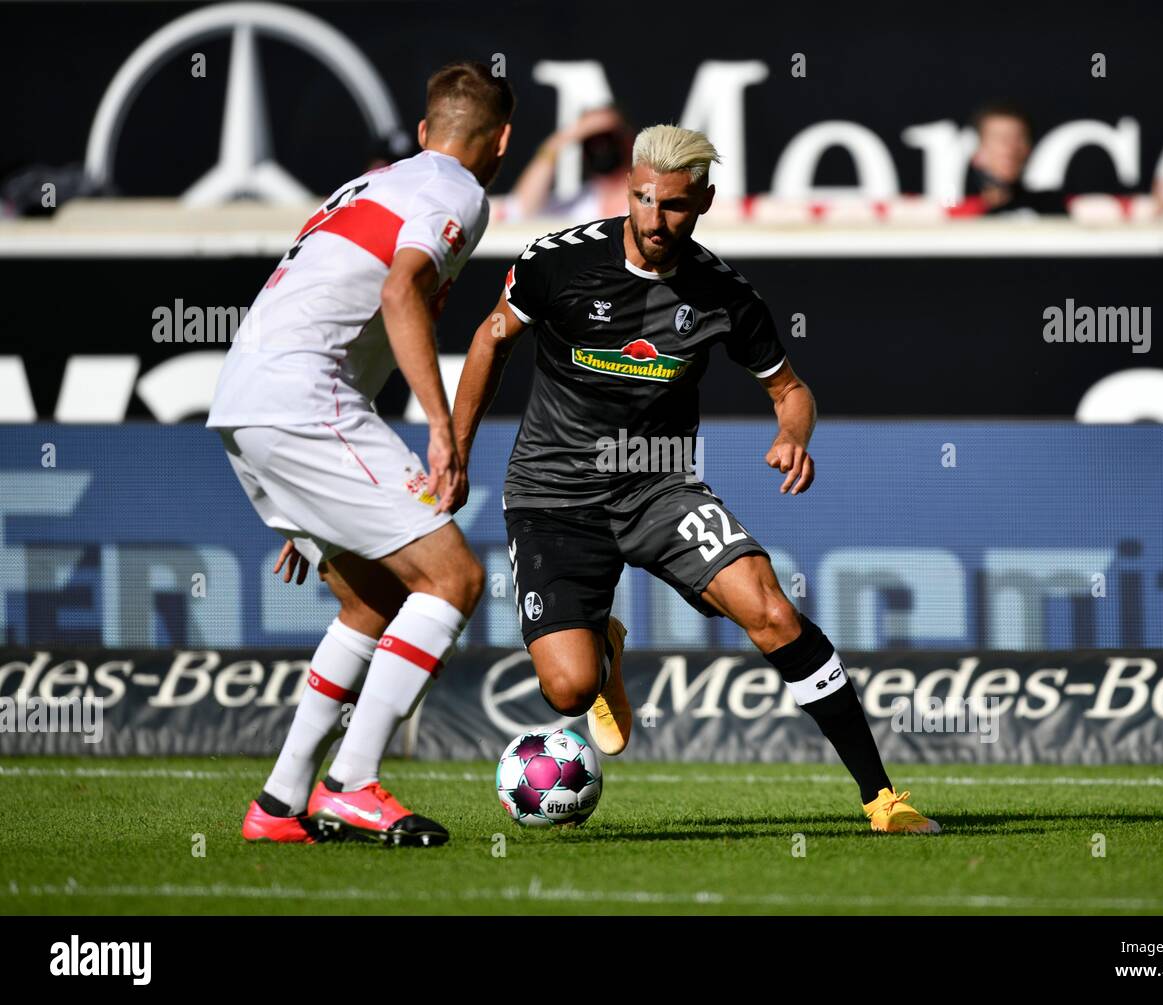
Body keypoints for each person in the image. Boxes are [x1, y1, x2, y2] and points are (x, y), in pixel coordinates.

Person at [451, 123, 940, 834]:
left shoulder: (723, 295)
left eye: (674, 205)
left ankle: (881, 798)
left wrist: (792, 435)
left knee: (772, 610)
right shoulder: (558, 263)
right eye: (643, 199)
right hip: (554, 494)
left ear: (704, 201)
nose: (654, 219)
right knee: (569, 687)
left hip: (658, 487)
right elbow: (492, 336)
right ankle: (601, 644)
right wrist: (456, 449)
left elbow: (791, 389)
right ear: (628, 190)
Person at [205, 61, 514, 847]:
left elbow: (341, 305)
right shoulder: (459, 193)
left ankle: (279, 803)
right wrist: (441, 428)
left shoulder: (374, 183)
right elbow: (398, 291)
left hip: (248, 399)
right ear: (502, 141)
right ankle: (352, 784)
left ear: (421, 130)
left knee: (372, 599)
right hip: (303, 401)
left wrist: (312, 487)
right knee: (454, 576)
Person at [498, 106, 633, 221]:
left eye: (608, 137)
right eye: (591, 140)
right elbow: (521, 210)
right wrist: (559, 141)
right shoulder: (577, 205)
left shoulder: (649, 199)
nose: (600, 147)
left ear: (629, 140)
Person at [953, 101, 1066, 216]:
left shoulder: (1054, 205)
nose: (1010, 148)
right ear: (976, 151)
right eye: (999, 138)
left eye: (1018, 138)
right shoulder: (954, 207)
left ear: (1029, 148)